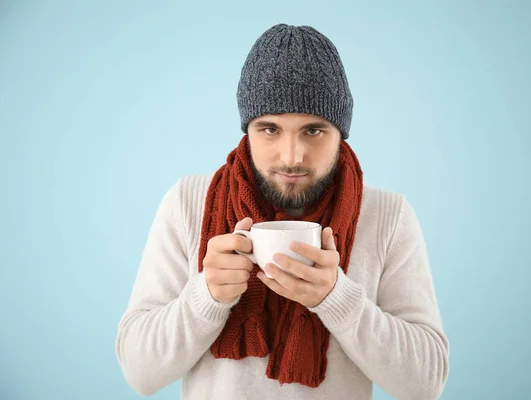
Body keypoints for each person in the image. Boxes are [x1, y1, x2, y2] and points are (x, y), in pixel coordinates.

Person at [115, 23, 449, 400]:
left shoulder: (388, 215)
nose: (291, 157)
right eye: (270, 129)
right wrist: (206, 296)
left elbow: (427, 383)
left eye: (313, 130)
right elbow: (139, 372)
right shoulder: (188, 202)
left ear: (342, 132)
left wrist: (337, 299)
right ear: (247, 130)